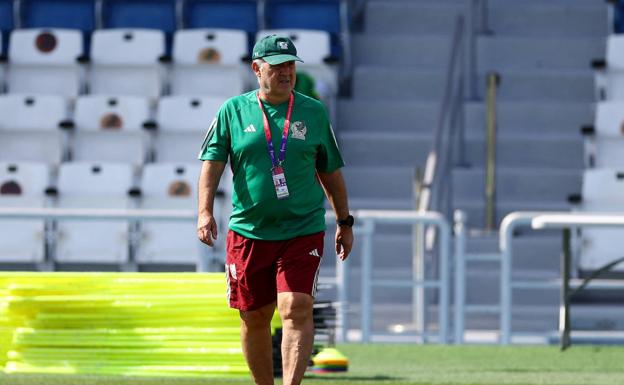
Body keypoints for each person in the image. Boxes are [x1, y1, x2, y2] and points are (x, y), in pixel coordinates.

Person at [196, 34, 354, 385]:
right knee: (255, 316)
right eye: (277, 65)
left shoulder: (313, 111)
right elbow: (212, 164)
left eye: (290, 65)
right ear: (257, 68)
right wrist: (204, 212)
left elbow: (330, 170)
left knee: (296, 307)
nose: (286, 72)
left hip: (302, 228)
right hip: (249, 231)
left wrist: (345, 220)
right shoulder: (233, 111)